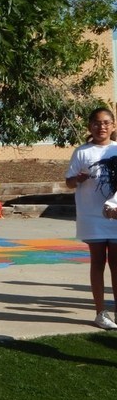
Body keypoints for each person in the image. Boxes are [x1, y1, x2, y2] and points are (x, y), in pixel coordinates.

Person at [66, 107, 117, 330]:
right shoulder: (82, 152)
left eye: (106, 123)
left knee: (116, 264)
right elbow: (68, 182)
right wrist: (77, 178)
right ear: (89, 127)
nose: (101, 127)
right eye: (96, 123)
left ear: (113, 126)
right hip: (91, 216)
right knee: (97, 263)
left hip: (115, 216)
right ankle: (100, 312)